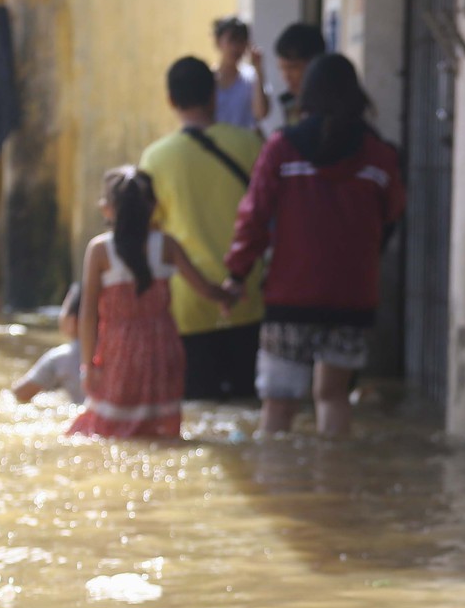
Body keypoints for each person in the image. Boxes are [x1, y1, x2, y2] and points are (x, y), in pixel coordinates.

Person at [224, 52, 405, 437]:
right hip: (352, 298)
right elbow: (392, 215)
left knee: (278, 402)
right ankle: (334, 489)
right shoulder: (380, 156)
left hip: (290, 295)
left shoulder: (282, 149)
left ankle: (277, 492)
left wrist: (236, 274)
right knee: (333, 396)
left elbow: (253, 217)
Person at [68, 167, 240, 440]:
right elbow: (205, 289)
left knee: (110, 430)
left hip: (117, 349)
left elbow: (88, 314)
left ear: (106, 209)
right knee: (161, 432)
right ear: (154, 207)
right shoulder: (167, 245)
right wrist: (230, 295)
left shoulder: (100, 250)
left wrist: (87, 366)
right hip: (163, 346)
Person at [140, 56, 265, 400]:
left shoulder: (155, 159)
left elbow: (149, 232)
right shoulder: (251, 145)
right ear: (214, 96)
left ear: (170, 100)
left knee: (199, 414)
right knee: (247, 407)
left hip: (187, 304)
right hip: (247, 295)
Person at [11, 282, 84, 404]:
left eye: (63, 308)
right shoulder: (113, 353)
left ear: (73, 320)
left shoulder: (61, 357)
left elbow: (20, 394)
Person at [211, 16, 270, 132]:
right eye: (231, 40)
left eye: (241, 41)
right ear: (218, 42)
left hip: (244, 146)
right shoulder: (207, 79)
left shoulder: (251, 77)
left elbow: (260, 113)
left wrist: (258, 69)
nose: (236, 47)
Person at [269, 22, 327, 127]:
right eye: (282, 68)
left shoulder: (334, 108)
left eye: (293, 67)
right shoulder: (289, 102)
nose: (286, 76)